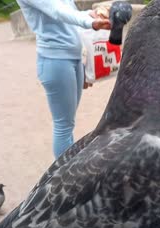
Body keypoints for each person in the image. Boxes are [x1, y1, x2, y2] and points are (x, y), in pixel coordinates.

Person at [16, 0, 111, 158]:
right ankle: (63, 175)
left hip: (73, 58)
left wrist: (91, 14)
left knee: (68, 123)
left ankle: (67, 167)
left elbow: (71, 13)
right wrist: (91, 22)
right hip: (55, 60)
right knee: (64, 126)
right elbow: (57, 11)